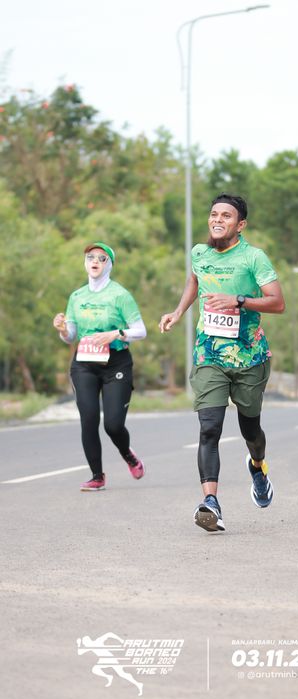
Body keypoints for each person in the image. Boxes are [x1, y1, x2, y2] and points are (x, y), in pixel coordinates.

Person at [159, 194, 285, 532]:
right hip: (209, 354)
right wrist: (178, 311)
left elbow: (277, 302)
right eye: (214, 214)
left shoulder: (253, 257)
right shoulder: (199, 253)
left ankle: (257, 465)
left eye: (226, 216)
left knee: (250, 431)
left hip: (249, 357)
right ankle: (210, 503)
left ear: (240, 225)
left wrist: (239, 300)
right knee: (209, 428)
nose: (217, 219)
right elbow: (195, 280)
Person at [53, 242, 147, 491]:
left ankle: (128, 454)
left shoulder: (120, 295)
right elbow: (71, 336)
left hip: (116, 362)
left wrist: (116, 334)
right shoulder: (77, 297)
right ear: (85, 262)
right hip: (84, 364)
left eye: (102, 258)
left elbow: (141, 330)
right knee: (89, 418)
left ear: (110, 265)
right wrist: (62, 329)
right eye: (90, 257)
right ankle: (97, 476)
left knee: (113, 425)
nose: (95, 261)